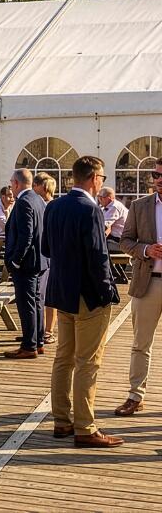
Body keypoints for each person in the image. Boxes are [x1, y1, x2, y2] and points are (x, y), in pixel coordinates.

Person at [42, 155, 122, 447]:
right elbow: (98, 259)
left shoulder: (54, 206)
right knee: (88, 361)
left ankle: (61, 421)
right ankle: (85, 427)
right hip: (88, 295)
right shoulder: (91, 209)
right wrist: (107, 294)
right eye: (101, 178)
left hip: (61, 291)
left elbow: (46, 248)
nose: (101, 183)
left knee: (64, 357)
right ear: (93, 178)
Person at [115, 156, 162, 417]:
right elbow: (125, 241)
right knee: (140, 344)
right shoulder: (139, 206)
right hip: (148, 284)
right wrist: (146, 249)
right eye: (156, 176)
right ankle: (135, 395)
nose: (158, 181)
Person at [3, 170, 46, 359]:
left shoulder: (23, 202)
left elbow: (26, 235)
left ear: (17, 183)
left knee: (26, 303)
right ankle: (38, 340)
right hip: (39, 259)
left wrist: (15, 261)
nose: (11, 186)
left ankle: (29, 346)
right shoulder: (37, 199)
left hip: (27, 263)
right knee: (36, 301)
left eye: (12, 182)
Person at [34, 172, 58, 344]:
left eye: (35, 185)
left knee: (48, 295)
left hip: (50, 256)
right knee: (39, 295)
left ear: (43, 187)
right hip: (41, 254)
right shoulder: (38, 204)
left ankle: (48, 330)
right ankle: (39, 330)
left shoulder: (53, 206)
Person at [98, 187, 129, 252]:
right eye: (98, 197)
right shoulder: (104, 207)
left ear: (109, 198)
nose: (99, 199)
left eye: (101, 197)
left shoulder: (114, 207)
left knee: (95, 246)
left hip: (119, 240)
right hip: (113, 237)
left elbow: (105, 226)